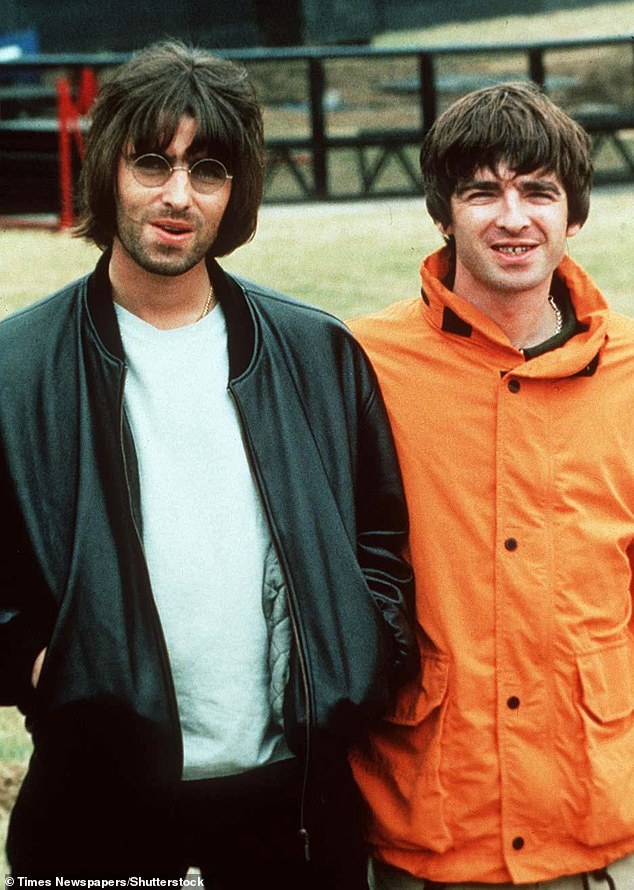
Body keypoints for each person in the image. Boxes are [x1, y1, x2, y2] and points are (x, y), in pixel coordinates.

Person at [0, 40, 417, 885]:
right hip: (93, 810)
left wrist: (361, 647)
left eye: (209, 170)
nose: (177, 196)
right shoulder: (17, 368)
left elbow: (382, 540)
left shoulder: (316, 353)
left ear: (239, 191)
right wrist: (39, 662)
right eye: (152, 162)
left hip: (293, 811)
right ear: (107, 168)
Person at [349, 82, 634, 889]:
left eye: (538, 192)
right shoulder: (362, 365)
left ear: (574, 215)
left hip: (600, 832)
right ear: (443, 213)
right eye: (483, 192)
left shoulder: (630, 374)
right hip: (426, 831)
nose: (513, 217)